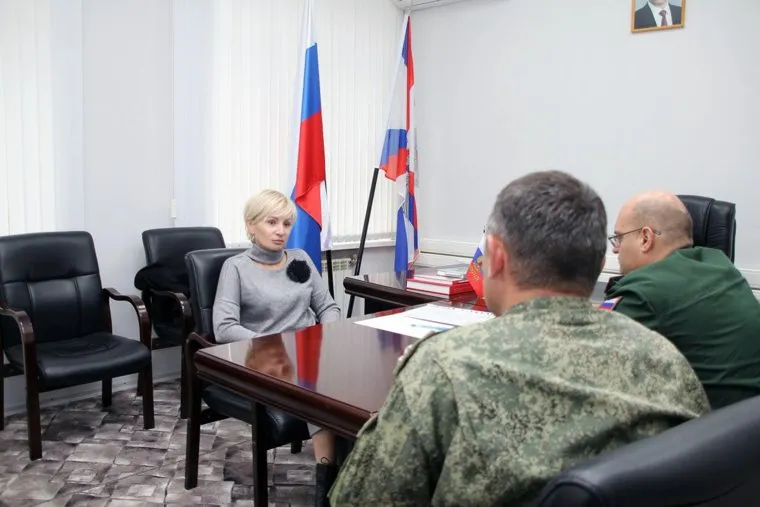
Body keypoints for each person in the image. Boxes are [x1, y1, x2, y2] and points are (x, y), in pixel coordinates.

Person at [328, 170, 709, 506]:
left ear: (495, 257)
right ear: (597, 262)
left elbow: (363, 499)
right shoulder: (666, 361)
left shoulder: (442, 368)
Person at [213, 189, 342, 506]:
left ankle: (349, 475)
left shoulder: (300, 259)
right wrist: (276, 345)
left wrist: (326, 335)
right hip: (264, 360)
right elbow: (224, 327)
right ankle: (327, 487)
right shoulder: (235, 267)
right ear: (251, 224)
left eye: (286, 223)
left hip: (307, 355)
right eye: (271, 222)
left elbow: (328, 307)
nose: (280, 231)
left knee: (353, 386)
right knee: (324, 393)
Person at [605, 190, 760, 408]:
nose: (615, 249)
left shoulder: (643, 292)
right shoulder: (718, 263)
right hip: (745, 418)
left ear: (646, 238)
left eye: (619, 238)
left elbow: (588, 359)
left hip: (705, 426)